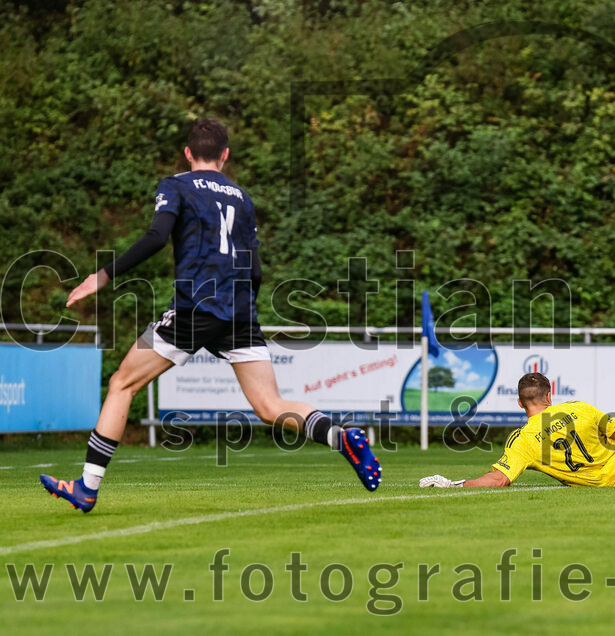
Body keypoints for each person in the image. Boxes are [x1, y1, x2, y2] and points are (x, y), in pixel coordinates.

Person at [41, 118, 381, 513]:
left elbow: (156, 237)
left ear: (188, 153)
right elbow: (255, 269)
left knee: (122, 384)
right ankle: (343, 437)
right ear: (225, 155)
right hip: (239, 312)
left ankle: (87, 486)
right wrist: (243, 314)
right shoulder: (242, 198)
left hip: (193, 307)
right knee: (270, 405)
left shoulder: (176, 185)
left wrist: (103, 275)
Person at [419, 372, 615, 488]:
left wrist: (455, 485)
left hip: (590, 484)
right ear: (550, 395)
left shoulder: (521, 440)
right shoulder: (578, 407)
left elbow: (499, 480)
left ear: (520, 403)